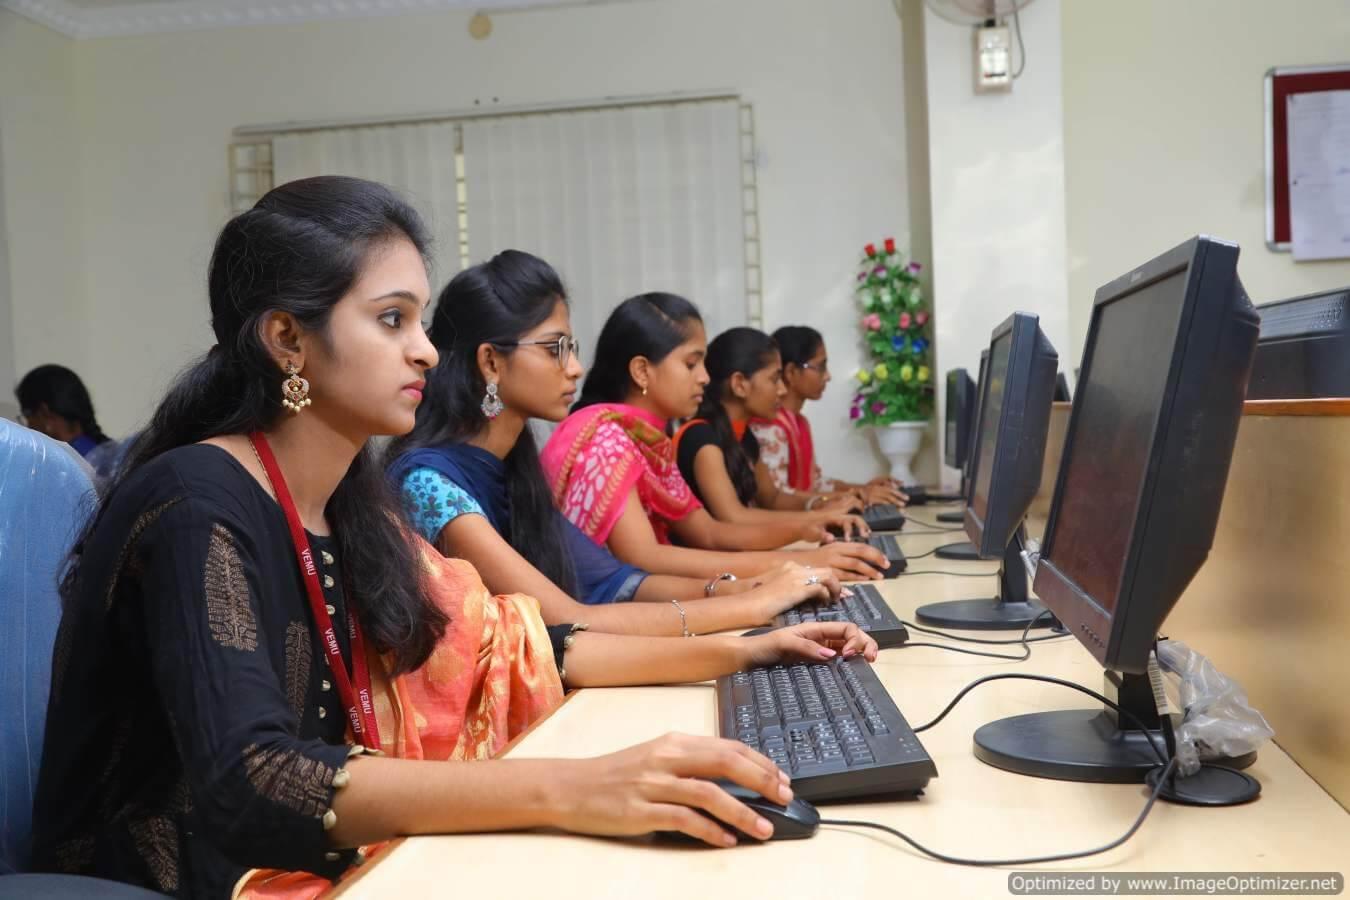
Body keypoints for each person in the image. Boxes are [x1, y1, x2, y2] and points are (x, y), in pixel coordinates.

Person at [30, 177, 875, 899]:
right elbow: (256, 783)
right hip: (192, 876)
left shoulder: (348, 495)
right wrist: (572, 787)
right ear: (288, 338)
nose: (428, 351)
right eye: (392, 319)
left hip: (322, 852)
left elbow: (529, 640)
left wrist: (751, 649)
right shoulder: (198, 502)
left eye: (422, 320)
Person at [388, 251, 844, 637]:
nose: (575, 368)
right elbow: (571, 622)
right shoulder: (429, 484)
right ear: (490, 361)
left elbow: (615, 580)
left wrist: (751, 587)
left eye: (573, 348)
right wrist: (754, 605)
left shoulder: (513, 468)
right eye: (555, 349)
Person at [542, 293, 888, 582]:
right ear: (642, 371)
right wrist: (799, 562)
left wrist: (810, 529)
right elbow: (647, 559)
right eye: (691, 364)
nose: (705, 378)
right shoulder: (607, 441)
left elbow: (708, 531)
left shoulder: (647, 441)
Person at [674, 327, 868, 527]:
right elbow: (734, 518)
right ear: (739, 384)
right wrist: (819, 518)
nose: (782, 390)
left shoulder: (744, 435)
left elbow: (772, 498)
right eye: (775, 379)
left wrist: (823, 502)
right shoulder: (702, 438)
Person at [751, 326, 907, 507]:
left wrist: (861, 488)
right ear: (791, 372)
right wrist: (856, 496)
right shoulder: (770, 427)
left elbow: (814, 484)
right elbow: (778, 498)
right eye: (820, 367)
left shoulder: (799, 423)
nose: (828, 376)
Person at [15, 364, 126, 484]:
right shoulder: (118, 458)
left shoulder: (60, 472)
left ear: (44, 413)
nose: (27, 427)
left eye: (27, 417)